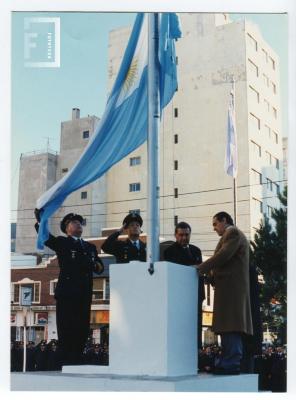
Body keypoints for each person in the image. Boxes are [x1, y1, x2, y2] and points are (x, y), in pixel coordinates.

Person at [34, 209, 104, 366]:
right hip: (67, 293)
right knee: (66, 328)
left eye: (79, 222)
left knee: (82, 328)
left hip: (84, 294)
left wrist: (94, 264)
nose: (78, 224)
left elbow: (99, 267)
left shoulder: (90, 247)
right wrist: (41, 222)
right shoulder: (63, 242)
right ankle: (65, 361)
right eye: (73, 223)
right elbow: (46, 238)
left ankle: (78, 360)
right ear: (67, 229)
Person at [197, 211, 253, 375]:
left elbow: (223, 255)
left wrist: (201, 268)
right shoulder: (232, 235)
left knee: (231, 326)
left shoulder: (233, 233)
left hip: (232, 290)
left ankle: (231, 363)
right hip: (229, 289)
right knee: (228, 327)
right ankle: (228, 362)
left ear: (224, 220)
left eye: (215, 224)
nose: (214, 228)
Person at [163, 221, 205, 350]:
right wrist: (192, 268)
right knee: (180, 326)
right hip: (179, 295)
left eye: (186, 235)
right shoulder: (169, 251)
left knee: (196, 325)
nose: (184, 238)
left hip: (196, 293)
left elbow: (201, 271)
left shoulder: (196, 250)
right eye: (181, 235)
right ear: (175, 235)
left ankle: (197, 351)